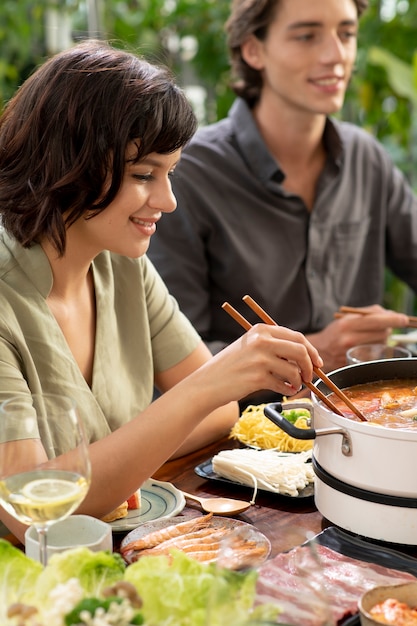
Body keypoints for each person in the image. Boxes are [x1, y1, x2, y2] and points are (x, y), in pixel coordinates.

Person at [0, 40, 322, 543]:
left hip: (130, 547)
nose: (168, 201)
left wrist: (106, 466)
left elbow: (219, 413)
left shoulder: (122, 266)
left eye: (169, 173)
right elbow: (27, 513)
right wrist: (197, 393)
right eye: (144, 175)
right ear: (66, 162)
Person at [149, 0, 417, 381]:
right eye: (307, 36)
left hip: (361, 419)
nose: (336, 55)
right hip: (240, 430)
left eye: (347, 34)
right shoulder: (188, 174)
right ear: (253, 49)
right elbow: (172, 361)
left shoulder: (366, 159)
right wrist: (317, 348)